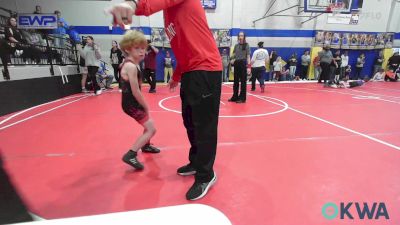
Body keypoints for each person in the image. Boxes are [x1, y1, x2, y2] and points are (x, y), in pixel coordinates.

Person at [111, 0, 222, 201]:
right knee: (190, 122)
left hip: (206, 69)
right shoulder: (168, 15)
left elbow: (147, 5)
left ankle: (206, 175)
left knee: (204, 127)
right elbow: (184, 48)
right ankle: (197, 162)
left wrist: (130, 5)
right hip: (190, 71)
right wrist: (177, 75)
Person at [119, 30, 160, 170]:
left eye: (143, 48)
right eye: (137, 48)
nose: (142, 51)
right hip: (132, 104)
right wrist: (146, 106)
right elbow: (136, 91)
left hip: (131, 103)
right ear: (127, 49)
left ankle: (146, 145)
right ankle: (130, 154)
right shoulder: (131, 66)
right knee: (151, 129)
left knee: (149, 125)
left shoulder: (132, 63)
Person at [229, 31, 250, 103]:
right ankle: (235, 96)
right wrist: (231, 59)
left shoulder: (246, 45)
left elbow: (248, 56)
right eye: (239, 36)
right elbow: (234, 54)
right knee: (236, 81)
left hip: (243, 63)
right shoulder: (236, 46)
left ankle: (242, 98)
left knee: (243, 82)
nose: (240, 37)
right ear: (238, 37)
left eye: (242, 35)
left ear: (244, 37)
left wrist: (249, 67)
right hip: (237, 63)